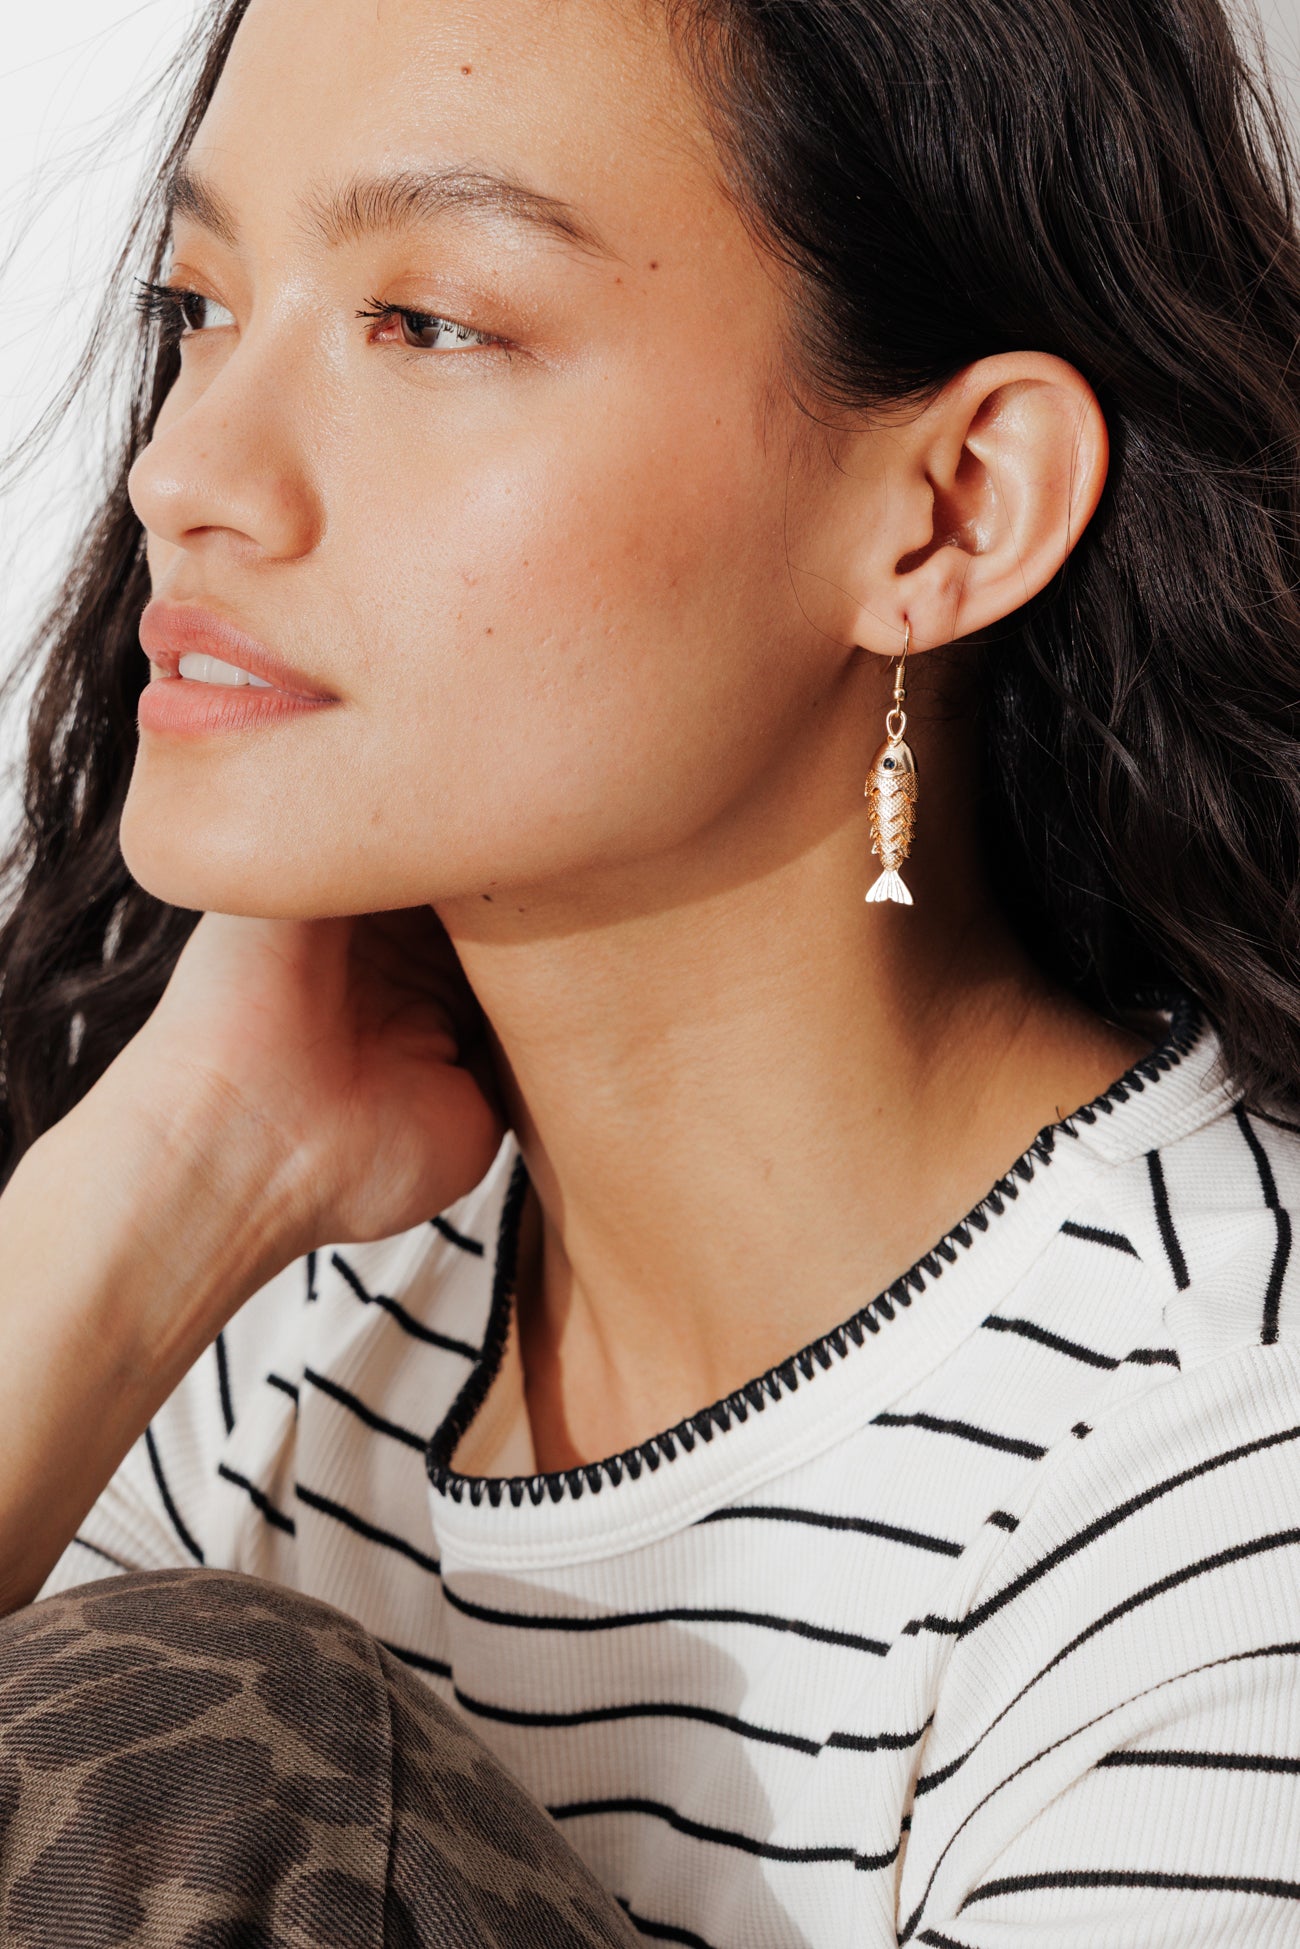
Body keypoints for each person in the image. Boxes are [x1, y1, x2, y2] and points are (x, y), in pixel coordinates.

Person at [1, 0, 1299, 1940]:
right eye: (199, 305)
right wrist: (160, 1181)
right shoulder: (270, 1329)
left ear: (951, 508)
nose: (187, 473)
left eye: (428, 323)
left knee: (199, 1743)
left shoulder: (1222, 1491)